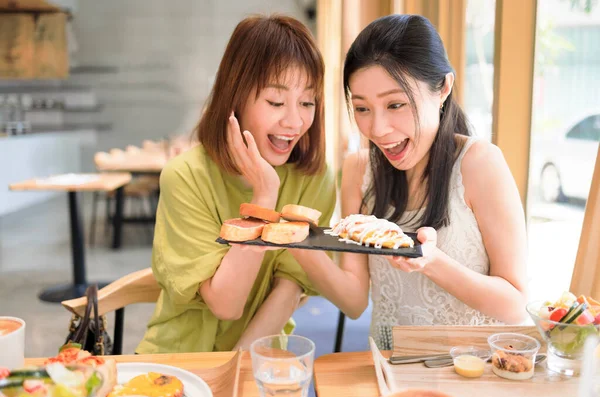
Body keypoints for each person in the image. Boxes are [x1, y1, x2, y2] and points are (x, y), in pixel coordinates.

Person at [286, 14, 528, 350]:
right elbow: (354, 302)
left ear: (442, 88)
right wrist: (297, 242)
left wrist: (432, 262)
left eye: (395, 104)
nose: (378, 129)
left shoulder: (479, 164)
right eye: (362, 108)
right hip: (392, 372)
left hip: (473, 373)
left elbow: (515, 304)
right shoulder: (358, 170)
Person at [136, 15, 335, 353]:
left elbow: (288, 290)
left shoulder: (314, 178)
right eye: (275, 102)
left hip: (259, 358)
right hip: (181, 361)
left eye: (307, 102)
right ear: (236, 98)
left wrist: (239, 369)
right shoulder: (184, 176)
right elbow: (226, 304)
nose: (295, 121)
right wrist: (265, 196)